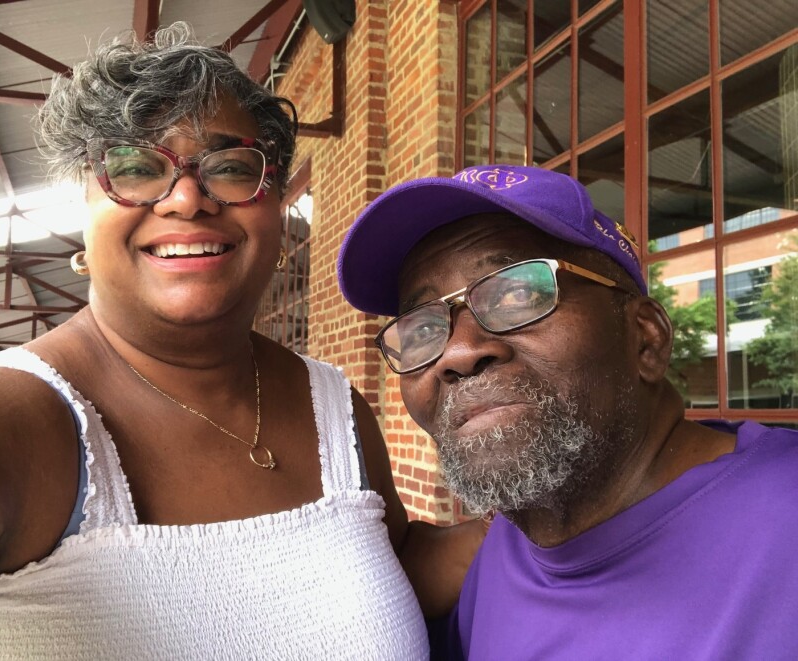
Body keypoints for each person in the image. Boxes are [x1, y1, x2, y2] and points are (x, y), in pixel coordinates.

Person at [0, 24, 485, 660]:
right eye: (135, 167)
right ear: (82, 207)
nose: (187, 198)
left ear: (274, 210)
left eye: (232, 167)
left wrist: (574, 513)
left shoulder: (332, 404)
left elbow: (389, 566)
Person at [337, 164, 798, 659]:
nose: (457, 351)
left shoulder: (782, 527)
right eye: (422, 329)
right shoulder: (509, 540)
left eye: (518, 292)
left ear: (646, 339)